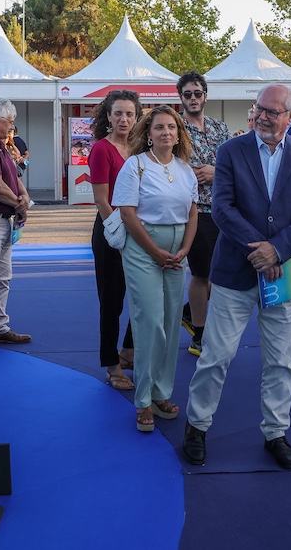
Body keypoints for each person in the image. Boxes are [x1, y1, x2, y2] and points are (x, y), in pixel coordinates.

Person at [183, 84, 291, 469]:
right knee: (215, 357)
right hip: (233, 275)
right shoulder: (231, 150)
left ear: (290, 117)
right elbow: (223, 209)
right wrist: (260, 249)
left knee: (281, 361)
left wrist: (278, 250)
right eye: (259, 108)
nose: (262, 116)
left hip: (283, 274)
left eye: (272, 111)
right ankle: (197, 425)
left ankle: (276, 432)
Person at [115, 106, 198, 433]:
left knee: (168, 321)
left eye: (171, 128)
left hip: (177, 251)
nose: (166, 132)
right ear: (148, 134)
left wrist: (185, 250)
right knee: (149, 322)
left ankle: (162, 392)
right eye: (159, 127)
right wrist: (156, 252)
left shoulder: (185, 169)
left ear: (179, 134)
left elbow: (193, 213)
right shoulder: (134, 166)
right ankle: (144, 399)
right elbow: (127, 214)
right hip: (143, 249)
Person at [176, 71, 230, 357]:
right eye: (187, 94)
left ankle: (189, 312)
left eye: (197, 93)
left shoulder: (220, 128)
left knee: (220, 275)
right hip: (193, 211)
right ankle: (199, 334)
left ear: (205, 96)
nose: (193, 98)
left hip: (224, 209)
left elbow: (232, 167)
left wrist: (215, 172)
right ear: (180, 97)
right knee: (201, 273)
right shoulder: (175, 128)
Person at [88, 91, 138, 391]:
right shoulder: (101, 150)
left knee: (144, 296)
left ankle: (129, 350)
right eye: (118, 113)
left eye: (129, 114)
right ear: (108, 116)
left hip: (139, 231)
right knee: (112, 302)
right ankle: (112, 364)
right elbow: (101, 200)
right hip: (112, 233)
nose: (123, 119)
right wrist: (119, 233)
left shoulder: (140, 148)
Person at [0, 99, 31, 344]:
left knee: (2, 278)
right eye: (10, 122)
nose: (12, 127)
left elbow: (13, 177)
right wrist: (19, 202)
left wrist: (23, 200)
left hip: (4, 221)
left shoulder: (1, 147)